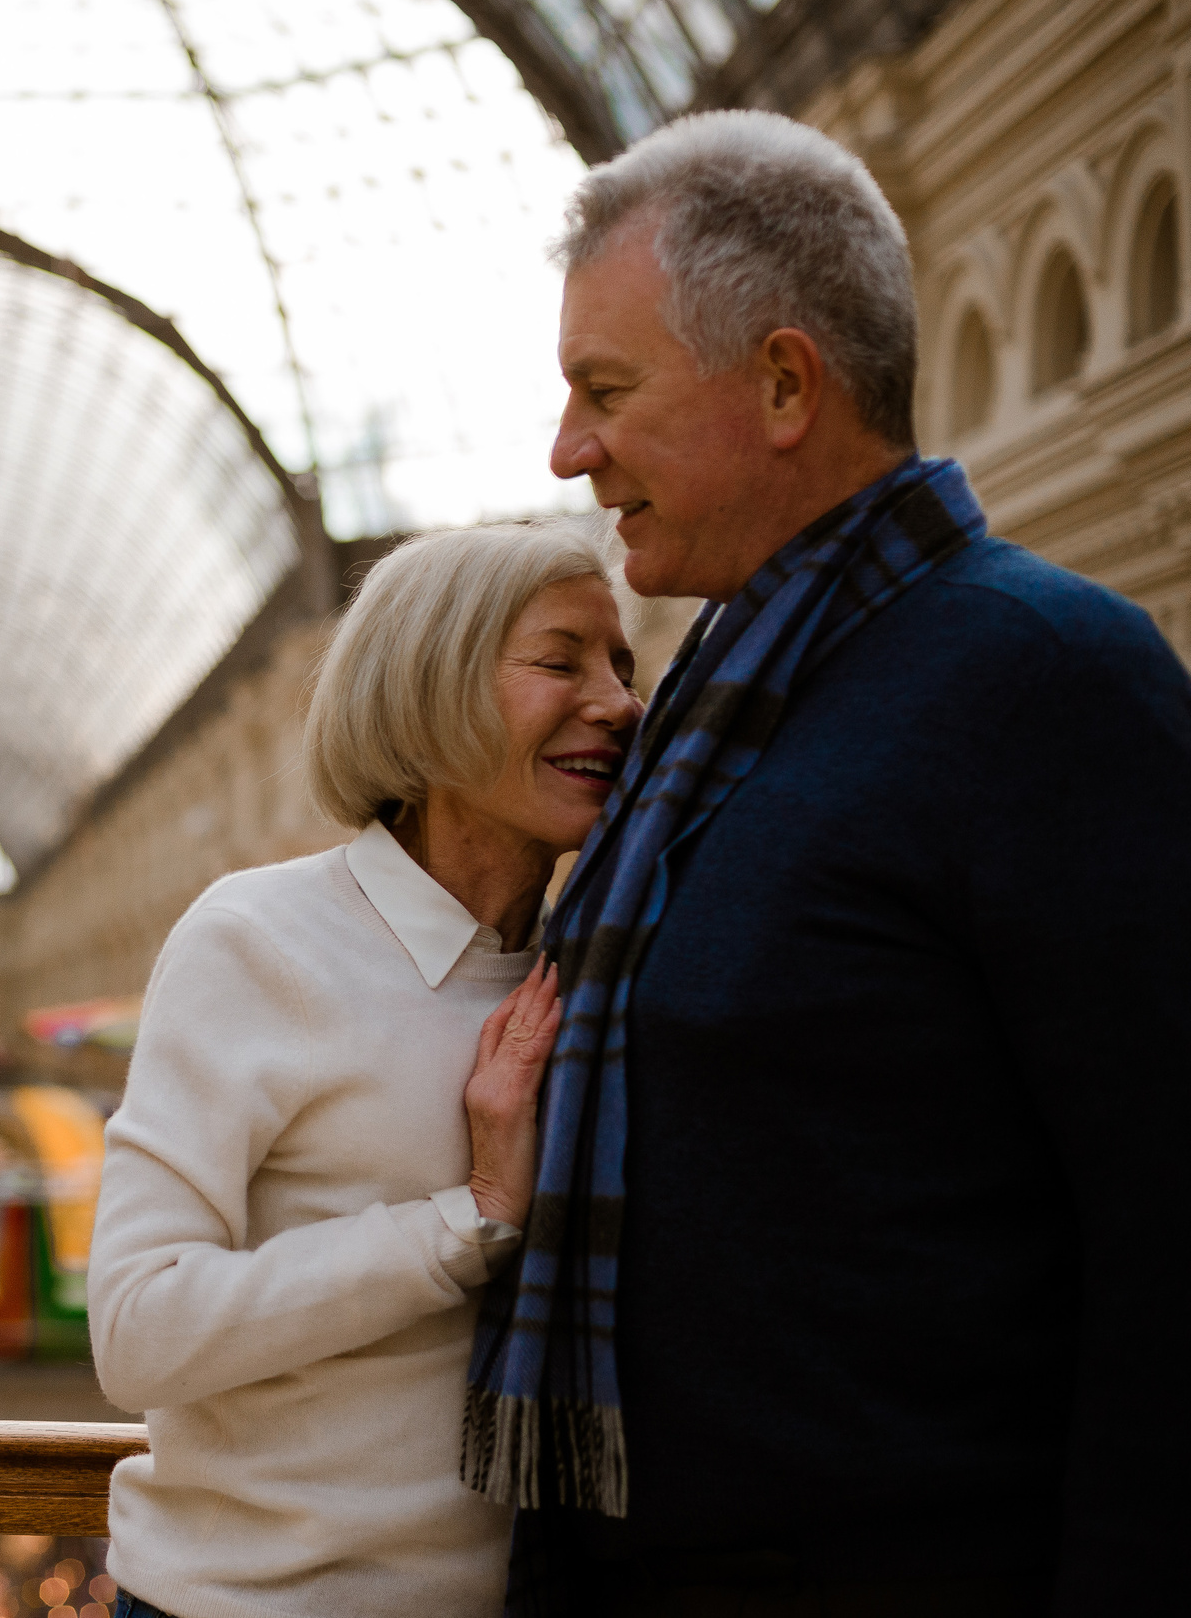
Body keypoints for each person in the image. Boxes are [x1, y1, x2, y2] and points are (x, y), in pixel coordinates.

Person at [465, 109, 1191, 1615]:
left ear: (785, 381)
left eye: (606, 391)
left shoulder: (1046, 680)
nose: (568, 448)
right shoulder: (705, 714)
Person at [89, 520, 643, 1618]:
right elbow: (137, 1330)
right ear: (431, 687)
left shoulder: (604, 963)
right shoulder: (257, 938)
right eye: (560, 658)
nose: (619, 701)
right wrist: (469, 1218)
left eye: (623, 663)